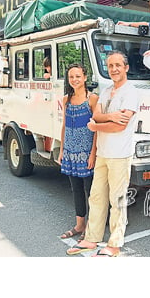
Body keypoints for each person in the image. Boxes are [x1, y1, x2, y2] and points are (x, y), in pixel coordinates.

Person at [66, 51, 140, 257]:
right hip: (103, 154)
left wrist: (96, 126)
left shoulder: (131, 92)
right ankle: (91, 239)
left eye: (118, 65)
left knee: (117, 200)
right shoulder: (106, 91)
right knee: (96, 197)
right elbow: (96, 115)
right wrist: (108, 118)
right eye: (110, 66)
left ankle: (114, 244)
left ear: (126, 68)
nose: (114, 69)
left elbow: (119, 127)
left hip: (120, 154)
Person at [58, 64, 98, 242]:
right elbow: (64, 125)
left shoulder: (92, 99)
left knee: (90, 190)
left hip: (86, 152)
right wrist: (61, 150)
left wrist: (93, 153)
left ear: (85, 78)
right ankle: (79, 224)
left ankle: (91, 226)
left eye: (78, 76)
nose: (74, 80)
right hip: (70, 151)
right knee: (75, 189)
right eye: (71, 77)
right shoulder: (66, 99)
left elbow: (96, 129)